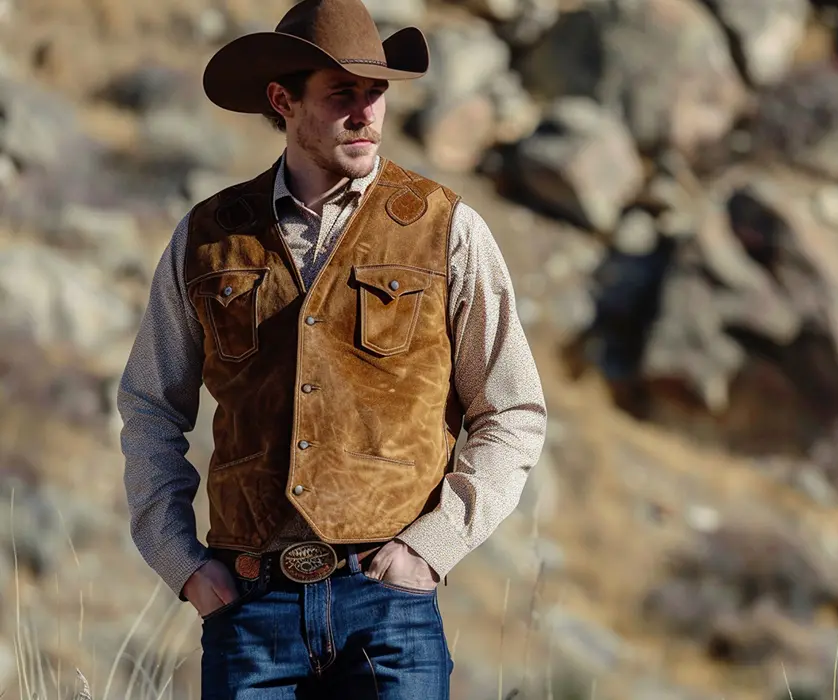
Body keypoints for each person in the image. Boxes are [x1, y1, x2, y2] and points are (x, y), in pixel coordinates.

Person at [115, 0, 548, 696]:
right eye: (342, 94)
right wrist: (183, 564)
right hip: (250, 606)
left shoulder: (447, 229)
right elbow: (149, 406)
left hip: (389, 605)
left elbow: (514, 409)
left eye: (375, 93)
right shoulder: (209, 236)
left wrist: (429, 551)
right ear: (283, 101)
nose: (366, 114)